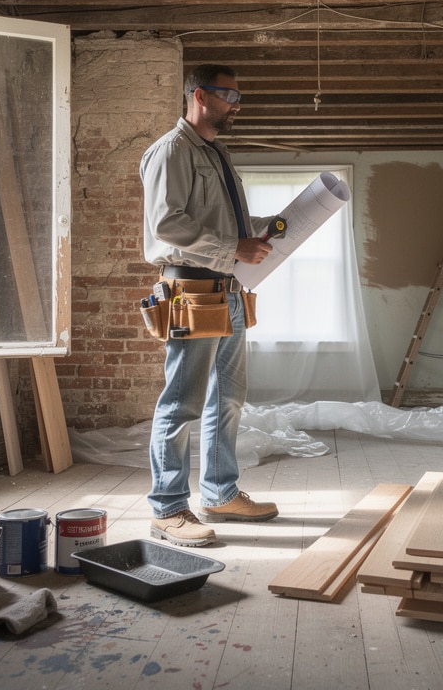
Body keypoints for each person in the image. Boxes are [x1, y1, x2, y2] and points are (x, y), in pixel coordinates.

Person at [138, 64, 280, 546]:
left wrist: (270, 226)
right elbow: (167, 226)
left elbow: (224, 222)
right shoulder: (172, 150)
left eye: (239, 97)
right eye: (229, 96)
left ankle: (219, 493)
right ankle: (168, 508)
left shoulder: (217, 153)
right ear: (200, 95)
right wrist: (232, 248)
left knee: (229, 398)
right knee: (181, 403)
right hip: (191, 290)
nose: (237, 104)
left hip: (229, 289)